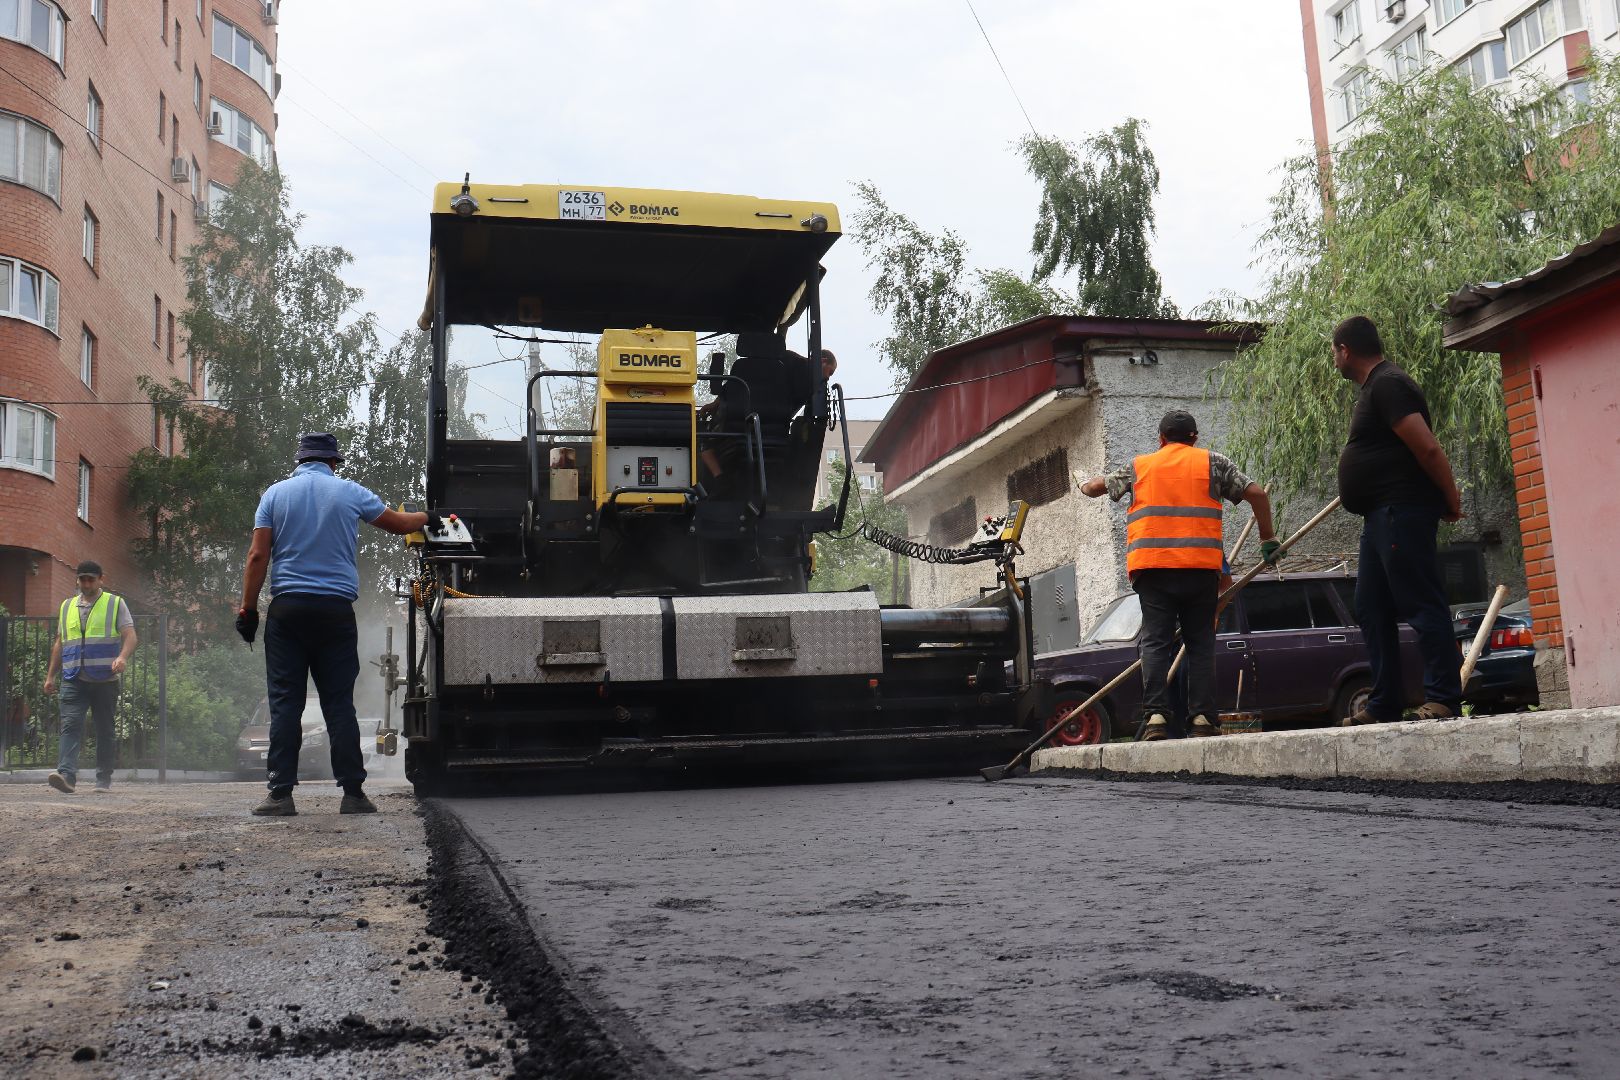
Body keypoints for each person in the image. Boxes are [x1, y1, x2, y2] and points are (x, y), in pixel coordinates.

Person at [237, 432, 432, 817]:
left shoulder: (274, 496)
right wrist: (429, 516)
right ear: (333, 463)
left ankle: (280, 795)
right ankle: (353, 794)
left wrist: (248, 610)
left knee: (285, 704)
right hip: (334, 612)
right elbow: (398, 523)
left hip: (288, 611)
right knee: (339, 703)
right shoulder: (350, 492)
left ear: (299, 461)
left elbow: (258, 556)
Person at [1081, 410, 1277, 741]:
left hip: (1153, 569)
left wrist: (1083, 482)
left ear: (1161, 439)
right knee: (1199, 644)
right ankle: (1201, 719)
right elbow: (1257, 493)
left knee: (1155, 642)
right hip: (1200, 569)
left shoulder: (1139, 466)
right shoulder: (1213, 462)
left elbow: (1095, 488)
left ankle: (1156, 716)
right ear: (1194, 438)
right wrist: (1267, 539)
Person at [1331, 315, 1464, 725]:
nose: (1333, 359)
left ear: (1345, 350)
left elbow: (1427, 449)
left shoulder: (1388, 384)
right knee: (1370, 607)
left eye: (1333, 351)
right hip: (1379, 516)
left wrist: (1450, 497)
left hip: (1400, 509)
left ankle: (1442, 697)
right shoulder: (1376, 387)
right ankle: (1384, 703)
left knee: (1421, 602)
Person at [43, 561, 137, 794]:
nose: (86, 583)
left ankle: (103, 779)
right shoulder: (67, 606)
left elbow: (131, 636)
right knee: (70, 724)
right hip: (73, 678)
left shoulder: (115, 603)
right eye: (82, 579)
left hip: (105, 678)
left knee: (104, 729)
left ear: (100, 579)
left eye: (90, 579)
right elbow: (60, 643)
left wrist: (123, 657)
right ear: (77, 580)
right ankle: (66, 776)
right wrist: (50, 676)